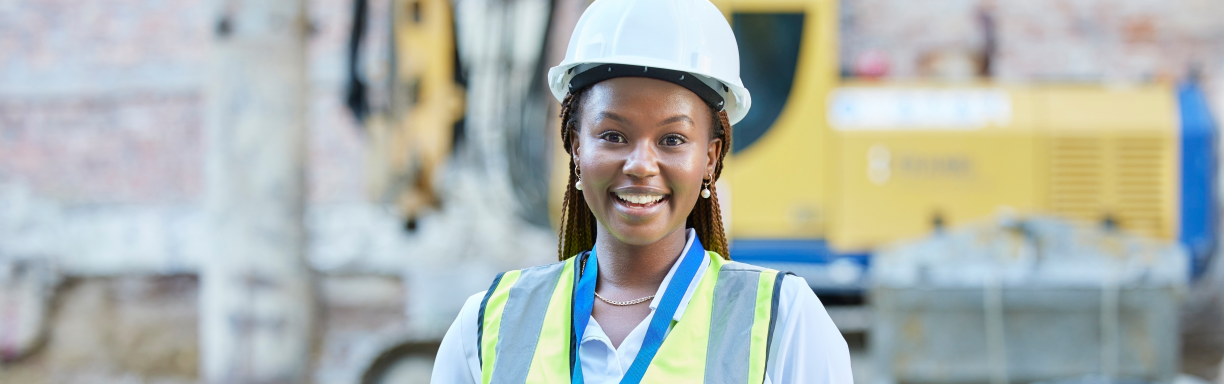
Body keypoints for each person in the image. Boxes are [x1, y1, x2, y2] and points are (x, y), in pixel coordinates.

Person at [431, 0, 853, 382]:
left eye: (672, 140)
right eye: (613, 135)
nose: (640, 165)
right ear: (577, 147)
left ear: (710, 157)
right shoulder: (489, 325)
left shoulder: (784, 321)